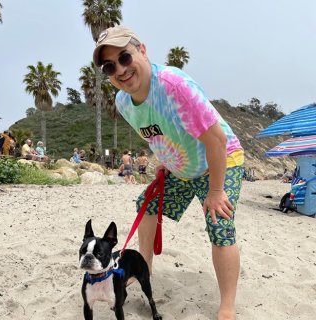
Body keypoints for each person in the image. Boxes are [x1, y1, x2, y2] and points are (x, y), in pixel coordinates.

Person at [93, 26, 244, 320]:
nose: (120, 70)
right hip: (181, 167)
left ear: (142, 51)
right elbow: (157, 133)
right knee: (146, 205)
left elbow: (217, 140)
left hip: (220, 159)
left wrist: (215, 192)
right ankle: (144, 268)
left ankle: (227, 305)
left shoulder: (174, 86)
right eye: (110, 66)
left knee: (220, 222)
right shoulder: (124, 102)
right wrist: (164, 159)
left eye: (124, 57)